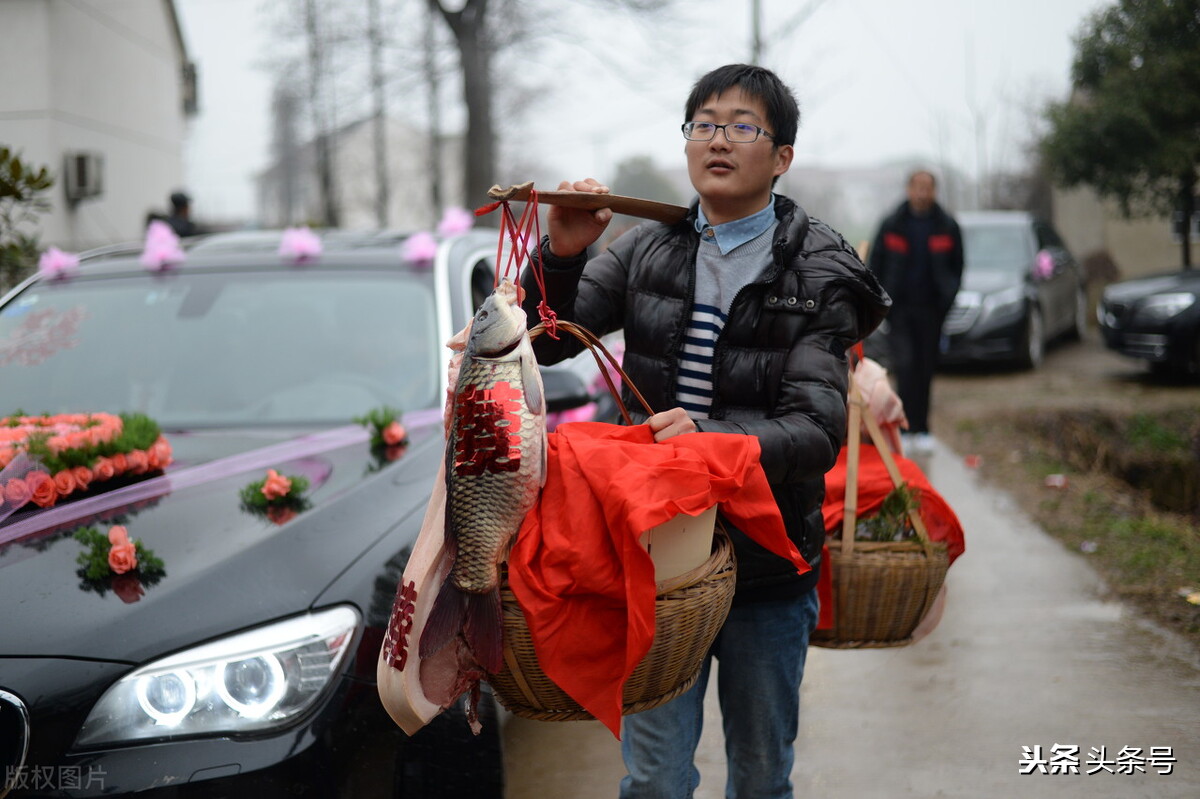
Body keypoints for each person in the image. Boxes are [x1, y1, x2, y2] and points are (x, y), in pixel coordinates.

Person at [519, 64, 889, 799]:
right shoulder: (649, 247)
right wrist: (561, 255)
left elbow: (816, 431)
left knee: (760, 775)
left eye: (743, 126)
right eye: (705, 124)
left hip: (767, 568)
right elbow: (548, 340)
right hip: (657, 558)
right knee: (654, 780)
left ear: (781, 157)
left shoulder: (819, 272)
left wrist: (705, 439)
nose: (719, 140)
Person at [867, 170, 963, 454]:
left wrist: (947, 298)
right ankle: (905, 428)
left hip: (932, 310)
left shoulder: (946, 225)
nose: (922, 193)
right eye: (917, 187)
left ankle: (923, 429)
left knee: (925, 368)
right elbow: (876, 264)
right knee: (905, 366)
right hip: (900, 311)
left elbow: (957, 267)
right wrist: (881, 301)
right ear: (909, 189)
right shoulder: (892, 224)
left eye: (927, 188)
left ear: (934, 191)